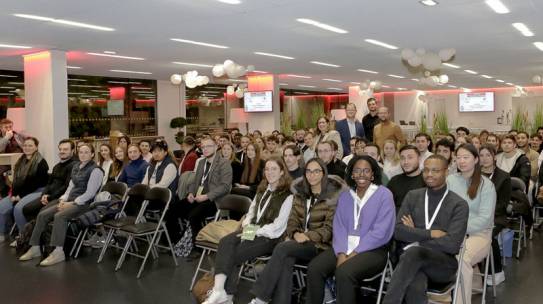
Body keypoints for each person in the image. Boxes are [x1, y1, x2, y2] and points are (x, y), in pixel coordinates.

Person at [248, 158, 346, 304]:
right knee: (285, 258)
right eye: (308, 171)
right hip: (290, 241)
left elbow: (329, 229)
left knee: (282, 248)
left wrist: (305, 236)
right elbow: (292, 220)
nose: (312, 175)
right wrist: (294, 233)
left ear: (323, 173)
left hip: (318, 245)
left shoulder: (332, 198)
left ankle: (260, 298)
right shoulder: (299, 194)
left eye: (316, 171)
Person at [202, 157, 293, 304]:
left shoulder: (288, 196)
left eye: (274, 169)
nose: (269, 172)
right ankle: (219, 290)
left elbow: (277, 227)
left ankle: (227, 296)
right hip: (253, 229)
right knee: (226, 241)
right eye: (267, 169)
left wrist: (253, 232)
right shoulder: (262, 189)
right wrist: (247, 226)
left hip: (270, 237)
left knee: (234, 253)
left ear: (282, 172)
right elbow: (251, 213)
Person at [306, 155, 395, 304]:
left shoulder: (384, 195)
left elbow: (381, 232)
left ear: (373, 174)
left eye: (366, 171)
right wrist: (341, 253)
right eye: (357, 171)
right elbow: (339, 227)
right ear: (352, 174)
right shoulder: (346, 196)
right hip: (344, 246)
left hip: (373, 250)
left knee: (344, 272)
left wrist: (354, 253)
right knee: (315, 268)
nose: (361, 174)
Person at [382, 155, 469, 304]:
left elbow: (452, 244)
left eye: (435, 170)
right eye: (426, 170)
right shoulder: (413, 196)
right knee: (415, 280)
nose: (429, 174)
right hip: (410, 261)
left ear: (446, 172)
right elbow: (398, 231)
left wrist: (415, 235)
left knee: (414, 252)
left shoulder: (458, 204)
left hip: (442, 264)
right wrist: (431, 234)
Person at [19, 143, 104, 266]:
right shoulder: (76, 167)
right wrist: (63, 200)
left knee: (60, 216)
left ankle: (58, 252)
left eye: (86, 152)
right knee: (42, 214)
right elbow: (70, 188)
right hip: (70, 201)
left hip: (84, 204)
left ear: (92, 154)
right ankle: (35, 247)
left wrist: (71, 203)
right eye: (81, 152)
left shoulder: (96, 170)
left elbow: (90, 193)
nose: (83, 154)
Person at [447, 143, 496, 304]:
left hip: (479, 234)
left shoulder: (486, 185)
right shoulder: (450, 180)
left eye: (466, 157)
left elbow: (485, 219)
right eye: (458, 157)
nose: (461, 161)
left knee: (462, 258)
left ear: (476, 159)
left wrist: (458, 228)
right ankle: (440, 295)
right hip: (451, 232)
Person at [168, 138, 232, 243]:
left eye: (209, 146)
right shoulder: (201, 162)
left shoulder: (224, 163)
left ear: (216, 147)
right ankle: (175, 241)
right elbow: (195, 182)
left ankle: (197, 246)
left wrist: (207, 196)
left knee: (193, 215)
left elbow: (225, 186)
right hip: (198, 197)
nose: (205, 149)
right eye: (203, 147)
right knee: (172, 210)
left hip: (214, 200)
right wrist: (190, 193)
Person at [0, 137, 49, 243]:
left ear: (36, 147)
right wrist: (13, 194)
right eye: (25, 145)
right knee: (2, 206)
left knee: (18, 209)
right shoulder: (21, 161)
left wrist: (19, 196)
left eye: (30, 145)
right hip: (19, 192)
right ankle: (2, 233)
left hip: (38, 191)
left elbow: (34, 184)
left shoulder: (41, 163)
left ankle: (24, 236)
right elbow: (16, 181)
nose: (27, 147)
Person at [22, 139, 77, 225]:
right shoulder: (57, 166)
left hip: (60, 198)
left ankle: (39, 233)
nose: (62, 151)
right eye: (60, 149)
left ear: (72, 151)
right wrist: (44, 194)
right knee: (27, 209)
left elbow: (66, 187)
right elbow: (49, 183)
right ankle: (33, 231)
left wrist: (49, 197)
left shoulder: (74, 166)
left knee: (42, 212)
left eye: (65, 149)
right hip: (48, 196)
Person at [479, 144, 509, 285]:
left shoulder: (503, 176)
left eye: (488, 155)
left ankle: (496, 271)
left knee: (488, 234)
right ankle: (476, 269)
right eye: (481, 155)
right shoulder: (474, 174)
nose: (484, 159)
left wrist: (485, 215)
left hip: (496, 215)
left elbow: (503, 204)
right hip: (474, 215)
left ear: (494, 157)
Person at [387, 145, 426, 210]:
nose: (406, 162)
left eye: (410, 157)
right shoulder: (394, 181)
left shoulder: (427, 181)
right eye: (402, 158)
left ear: (419, 159)